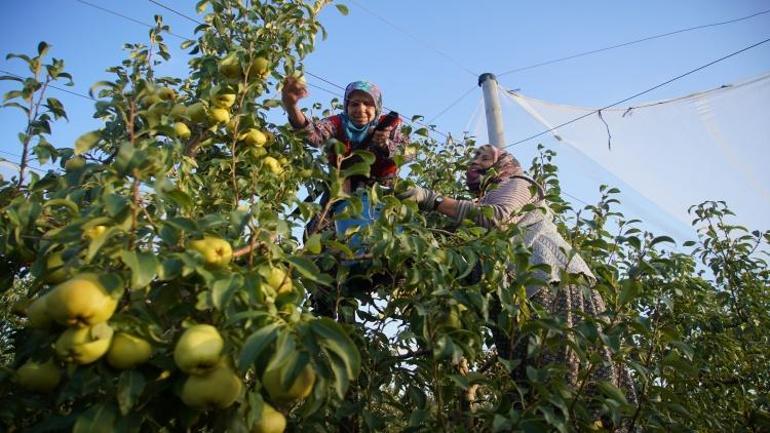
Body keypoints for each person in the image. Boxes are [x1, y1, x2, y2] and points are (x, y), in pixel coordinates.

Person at [399, 144, 636, 413]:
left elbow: (496, 216)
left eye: (486, 157)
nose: (476, 161)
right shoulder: (476, 207)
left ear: (504, 163)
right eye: (473, 157)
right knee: (532, 391)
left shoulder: (519, 182)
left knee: (566, 383)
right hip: (517, 299)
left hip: (553, 281)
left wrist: (432, 199)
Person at [282, 77, 407, 195]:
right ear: (347, 107)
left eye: (367, 104)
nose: (361, 109)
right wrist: (291, 106)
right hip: (344, 190)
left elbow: (408, 154)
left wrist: (385, 145)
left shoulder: (389, 124)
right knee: (325, 216)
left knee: (411, 194)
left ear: (377, 108)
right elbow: (313, 135)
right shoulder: (337, 123)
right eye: (354, 104)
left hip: (383, 189)